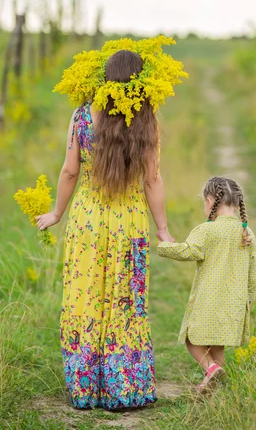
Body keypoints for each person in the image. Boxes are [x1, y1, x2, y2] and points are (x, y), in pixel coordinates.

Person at [35, 42, 182, 410]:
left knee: (86, 296)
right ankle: (124, 386)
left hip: (86, 219)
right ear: (140, 83)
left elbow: (70, 170)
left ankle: (86, 386)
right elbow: (153, 180)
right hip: (129, 222)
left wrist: (56, 213)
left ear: (106, 80)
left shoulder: (82, 116)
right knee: (125, 300)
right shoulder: (147, 121)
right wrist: (162, 228)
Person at [157, 176, 256, 392]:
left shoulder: (207, 230)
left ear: (210, 201)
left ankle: (210, 369)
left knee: (192, 338)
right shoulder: (247, 234)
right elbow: (252, 275)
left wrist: (164, 246)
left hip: (209, 300)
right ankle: (213, 386)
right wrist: (249, 301)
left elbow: (188, 251)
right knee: (216, 343)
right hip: (235, 302)